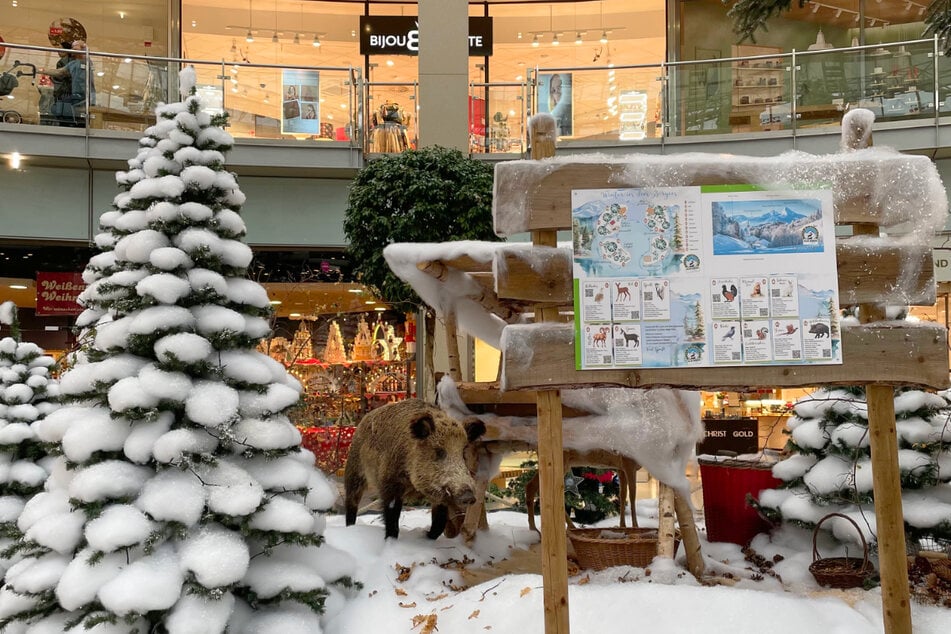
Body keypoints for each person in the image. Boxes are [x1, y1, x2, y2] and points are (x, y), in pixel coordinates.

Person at [40, 40, 96, 125]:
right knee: (59, 107)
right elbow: (59, 72)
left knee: (62, 107)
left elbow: (86, 51)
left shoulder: (87, 62)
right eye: (72, 47)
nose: (72, 49)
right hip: (76, 95)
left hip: (85, 96)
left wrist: (83, 47)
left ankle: (74, 123)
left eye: (75, 47)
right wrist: (42, 71)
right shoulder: (72, 64)